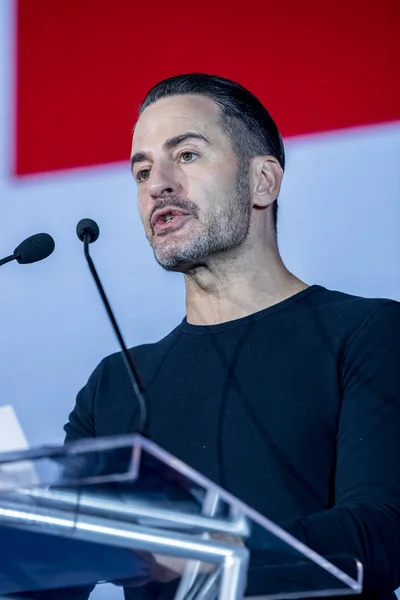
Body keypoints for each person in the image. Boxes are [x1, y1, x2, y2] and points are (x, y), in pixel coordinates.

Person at [62, 74, 400, 599]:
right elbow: (57, 575)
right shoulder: (114, 385)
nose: (157, 184)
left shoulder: (368, 334)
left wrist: (204, 547)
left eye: (188, 156)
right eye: (143, 170)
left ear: (263, 181)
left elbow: (381, 536)